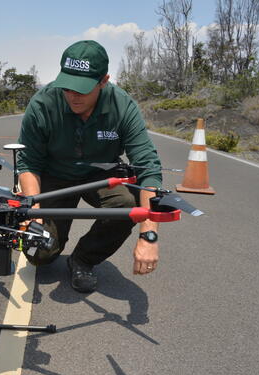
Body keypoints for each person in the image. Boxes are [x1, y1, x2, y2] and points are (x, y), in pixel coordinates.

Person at [17, 40, 162, 293]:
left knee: (127, 206)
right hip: (54, 177)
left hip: (100, 175)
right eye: (67, 87)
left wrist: (148, 234)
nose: (73, 95)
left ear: (103, 81)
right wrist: (34, 212)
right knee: (39, 254)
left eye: (82, 89)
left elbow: (148, 167)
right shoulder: (43, 104)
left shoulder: (122, 106)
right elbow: (28, 162)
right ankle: (50, 242)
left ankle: (83, 259)